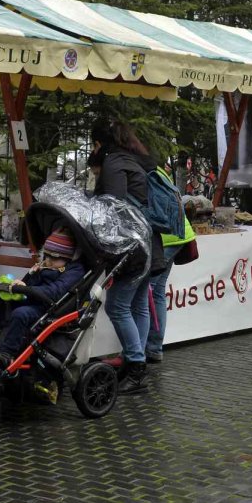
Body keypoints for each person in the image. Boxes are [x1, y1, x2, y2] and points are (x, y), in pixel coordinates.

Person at [92, 119, 165, 394]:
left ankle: (135, 367)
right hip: (150, 243)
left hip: (133, 247)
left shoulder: (113, 163)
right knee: (138, 306)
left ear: (100, 144)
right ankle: (137, 359)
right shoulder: (136, 159)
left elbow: (114, 207)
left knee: (117, 307)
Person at [0, 229, 85, 369]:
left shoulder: (73, 271)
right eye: (47, 256)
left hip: (45, 308)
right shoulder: (43, 266)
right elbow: (26, 286)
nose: (49, 261)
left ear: (68, 258)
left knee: (20, 314)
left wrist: (27, 288)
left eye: (55, 258)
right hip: (22, 302)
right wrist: (24, 279)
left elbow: (55, 291)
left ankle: (6, 354)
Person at [145, 171, 196, 364]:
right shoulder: (158, 171)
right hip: (177, 235)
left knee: (146, 291)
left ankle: (141, 350)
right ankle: (153, 348)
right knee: (157, 291)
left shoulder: (144, 173)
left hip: (166, 238)